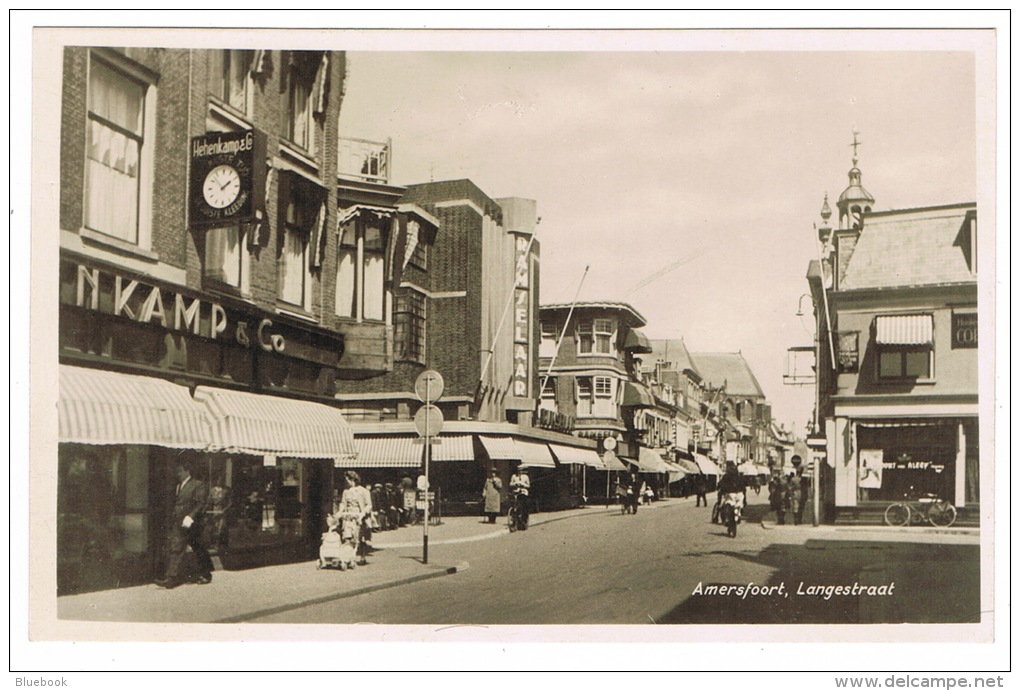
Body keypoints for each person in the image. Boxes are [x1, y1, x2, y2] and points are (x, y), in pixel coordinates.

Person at [156, 461, 213, 589]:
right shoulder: (179, 485)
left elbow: (201, 503)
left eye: (180, 471)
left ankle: (206, 574)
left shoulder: (198, 485)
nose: (178, 474)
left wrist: (191, 516)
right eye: (177, 471)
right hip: (179, 522)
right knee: (176, 547)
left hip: (193, 523)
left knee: (199, 548)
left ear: (188, 471)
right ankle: (171, 578)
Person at [333, 471, 373, 565]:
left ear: (353, 479)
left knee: (360, 538)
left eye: (347, 480)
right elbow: (343, 503)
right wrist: (340, 512)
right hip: (348, 516)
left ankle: (362, 556)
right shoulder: (346, 491)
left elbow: (369, 505)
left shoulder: (363, 491)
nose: (346, 482)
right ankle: (349, 557)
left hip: (359, 516)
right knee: (347, 537)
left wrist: (363, 513)